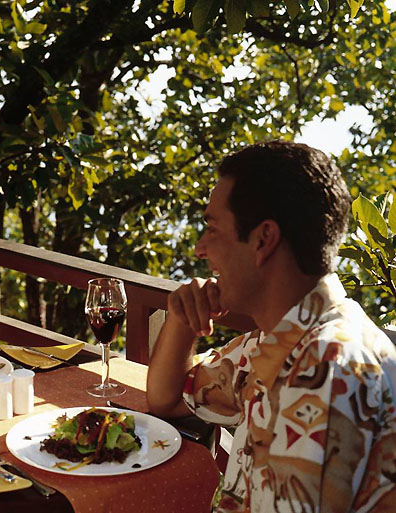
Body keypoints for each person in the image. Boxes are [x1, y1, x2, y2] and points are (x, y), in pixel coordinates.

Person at [146, 141, 396, 512]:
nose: (200, 248)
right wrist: (183, 321)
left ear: (263, 239)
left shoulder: (324, 369)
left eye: (212, 229)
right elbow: (167, 399)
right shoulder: (279, 343)